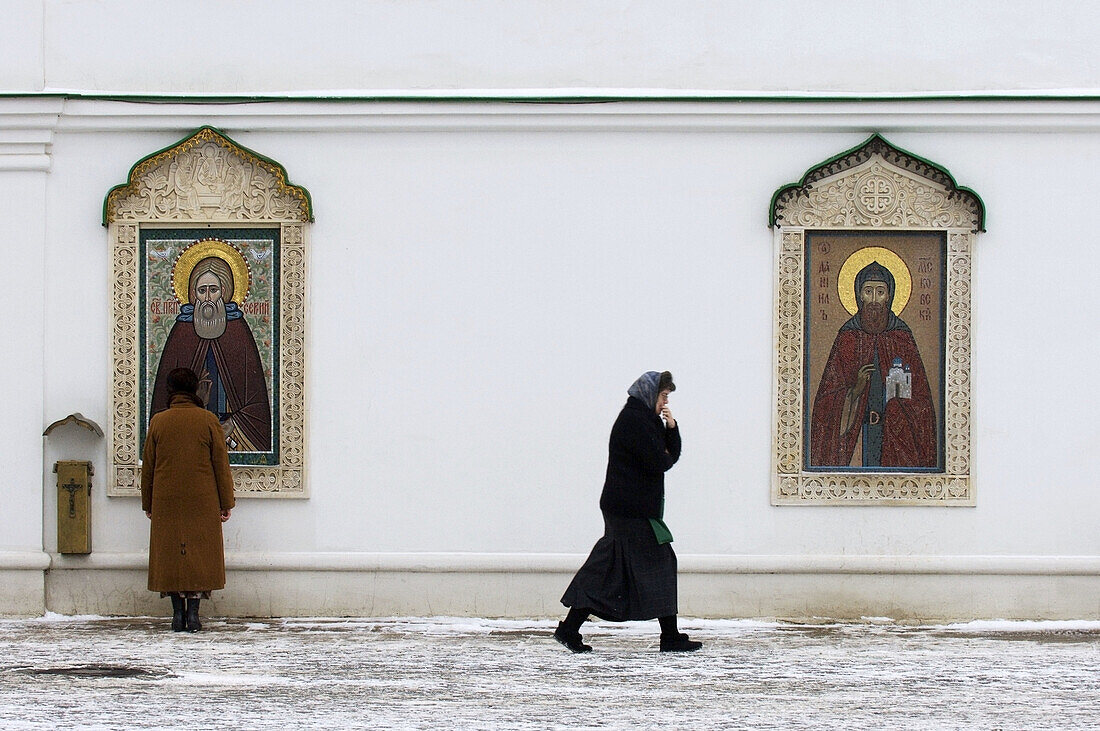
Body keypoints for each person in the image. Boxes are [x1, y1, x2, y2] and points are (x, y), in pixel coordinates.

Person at [556, 371, 702, 653]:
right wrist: (670, 432)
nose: (665, 403)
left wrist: (670, 430)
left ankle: (570, 629)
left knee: (610, 568)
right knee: (653, 563)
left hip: (629, 508)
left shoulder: (642, 419)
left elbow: (663, 457)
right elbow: (661, 461)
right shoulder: (636, 422)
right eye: (663, 396)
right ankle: (668, 637)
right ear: (650, 395)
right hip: (629, 510)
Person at [810, 261, 937, 468]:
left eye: (881, 292)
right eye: (868, 291)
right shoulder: (848, 337)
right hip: (858, 438)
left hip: (896, 439)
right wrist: (854, 391)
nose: (875, 299)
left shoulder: (901, 337)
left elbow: (922, 403)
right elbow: (825, 403)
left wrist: (899, 406)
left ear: (890, 296)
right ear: (859, 295)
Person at [141, 367, 235, 632]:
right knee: (199, 554)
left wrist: (148, 503)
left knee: (171, 554)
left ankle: (176, 615)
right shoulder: (208, 421)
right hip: (203, 498)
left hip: (166, 499)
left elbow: (149, 466)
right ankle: (193, 615)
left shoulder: (159, 421)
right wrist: (226, 502)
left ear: (170, 390)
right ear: (195, 390)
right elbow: (220, 464)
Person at [150, 254, 271, 452]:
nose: (207, 298)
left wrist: (231, 424)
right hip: (186, 426)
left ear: (224, 291)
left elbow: (256, 401)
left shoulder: (238, 331)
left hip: (233, 429)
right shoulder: (182, 332)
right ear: (192, 293)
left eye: (213, 290)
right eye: (201, 291)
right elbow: (163, 400)